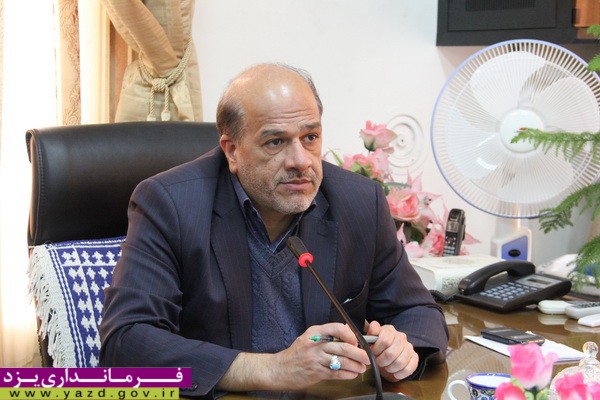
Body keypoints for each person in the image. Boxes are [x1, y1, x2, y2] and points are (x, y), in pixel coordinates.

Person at [99, 63, 449, 398]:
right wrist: (272, 369)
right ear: (232, 151)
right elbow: (126, 343)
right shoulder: (171, 204)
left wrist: (400, 351)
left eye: (310, 137)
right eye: (275, 142)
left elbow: (420, 313)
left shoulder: (358, 202)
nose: (301, 161)